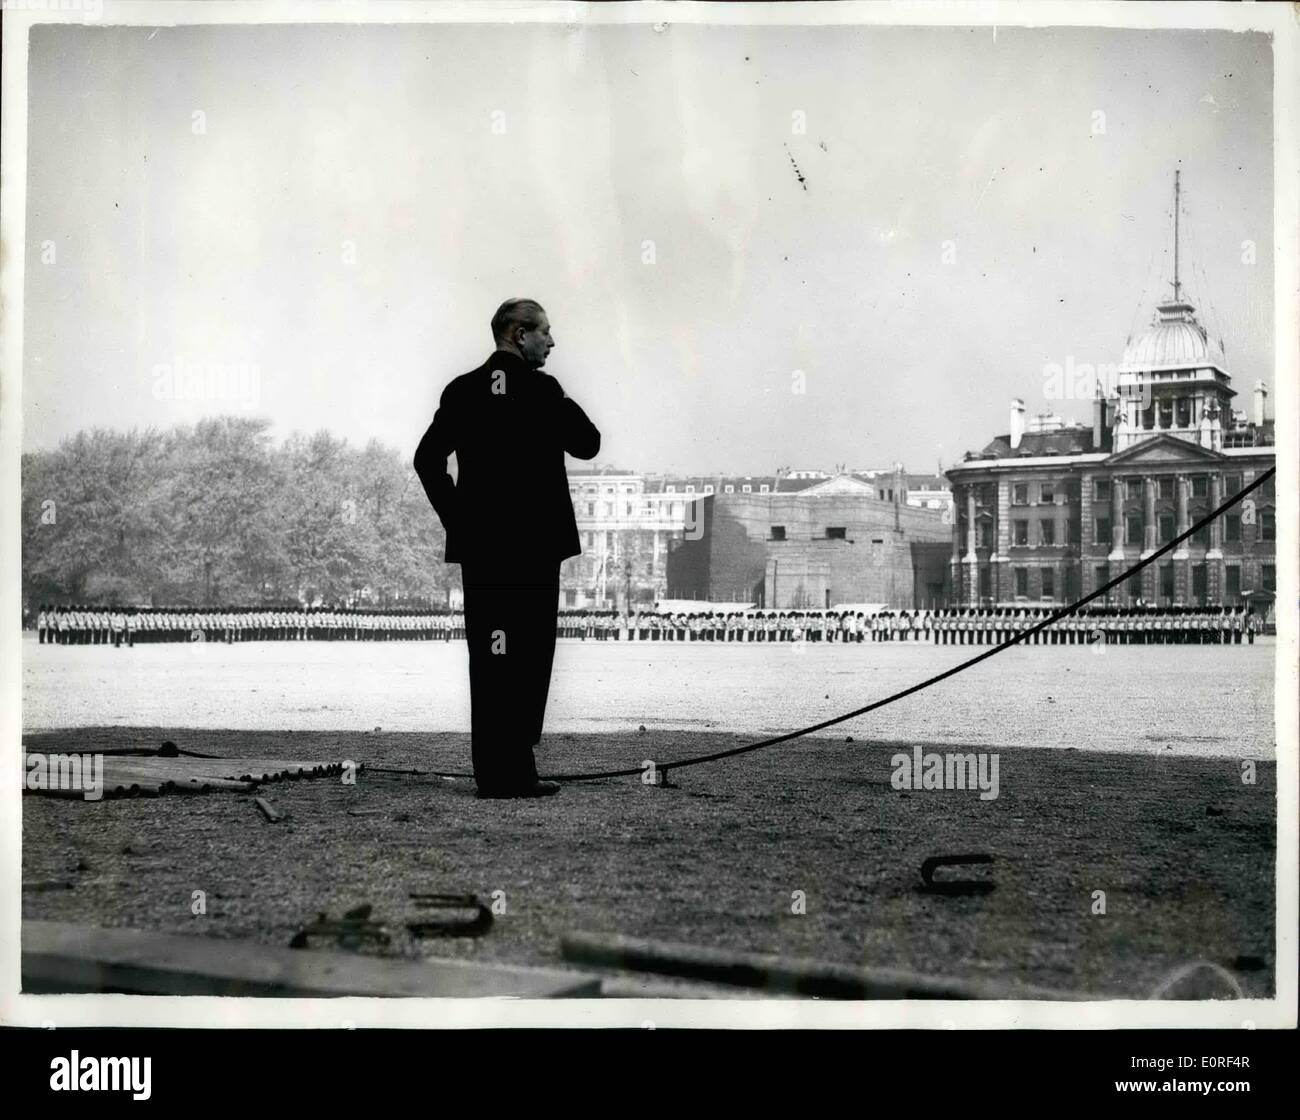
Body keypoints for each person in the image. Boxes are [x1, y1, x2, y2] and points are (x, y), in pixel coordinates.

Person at [414, 298, 600, 799]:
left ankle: (495, 774)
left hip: (484, 553)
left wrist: (460, 521)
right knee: (531, 655)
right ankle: (517, 770)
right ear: (519, 334)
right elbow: (589, 442)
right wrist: (553, 396)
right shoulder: (543, 391)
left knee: (492, 655)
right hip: (534, 552)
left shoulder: (462, 390)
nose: (552, 342)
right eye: (545, 332)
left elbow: (427, 459)